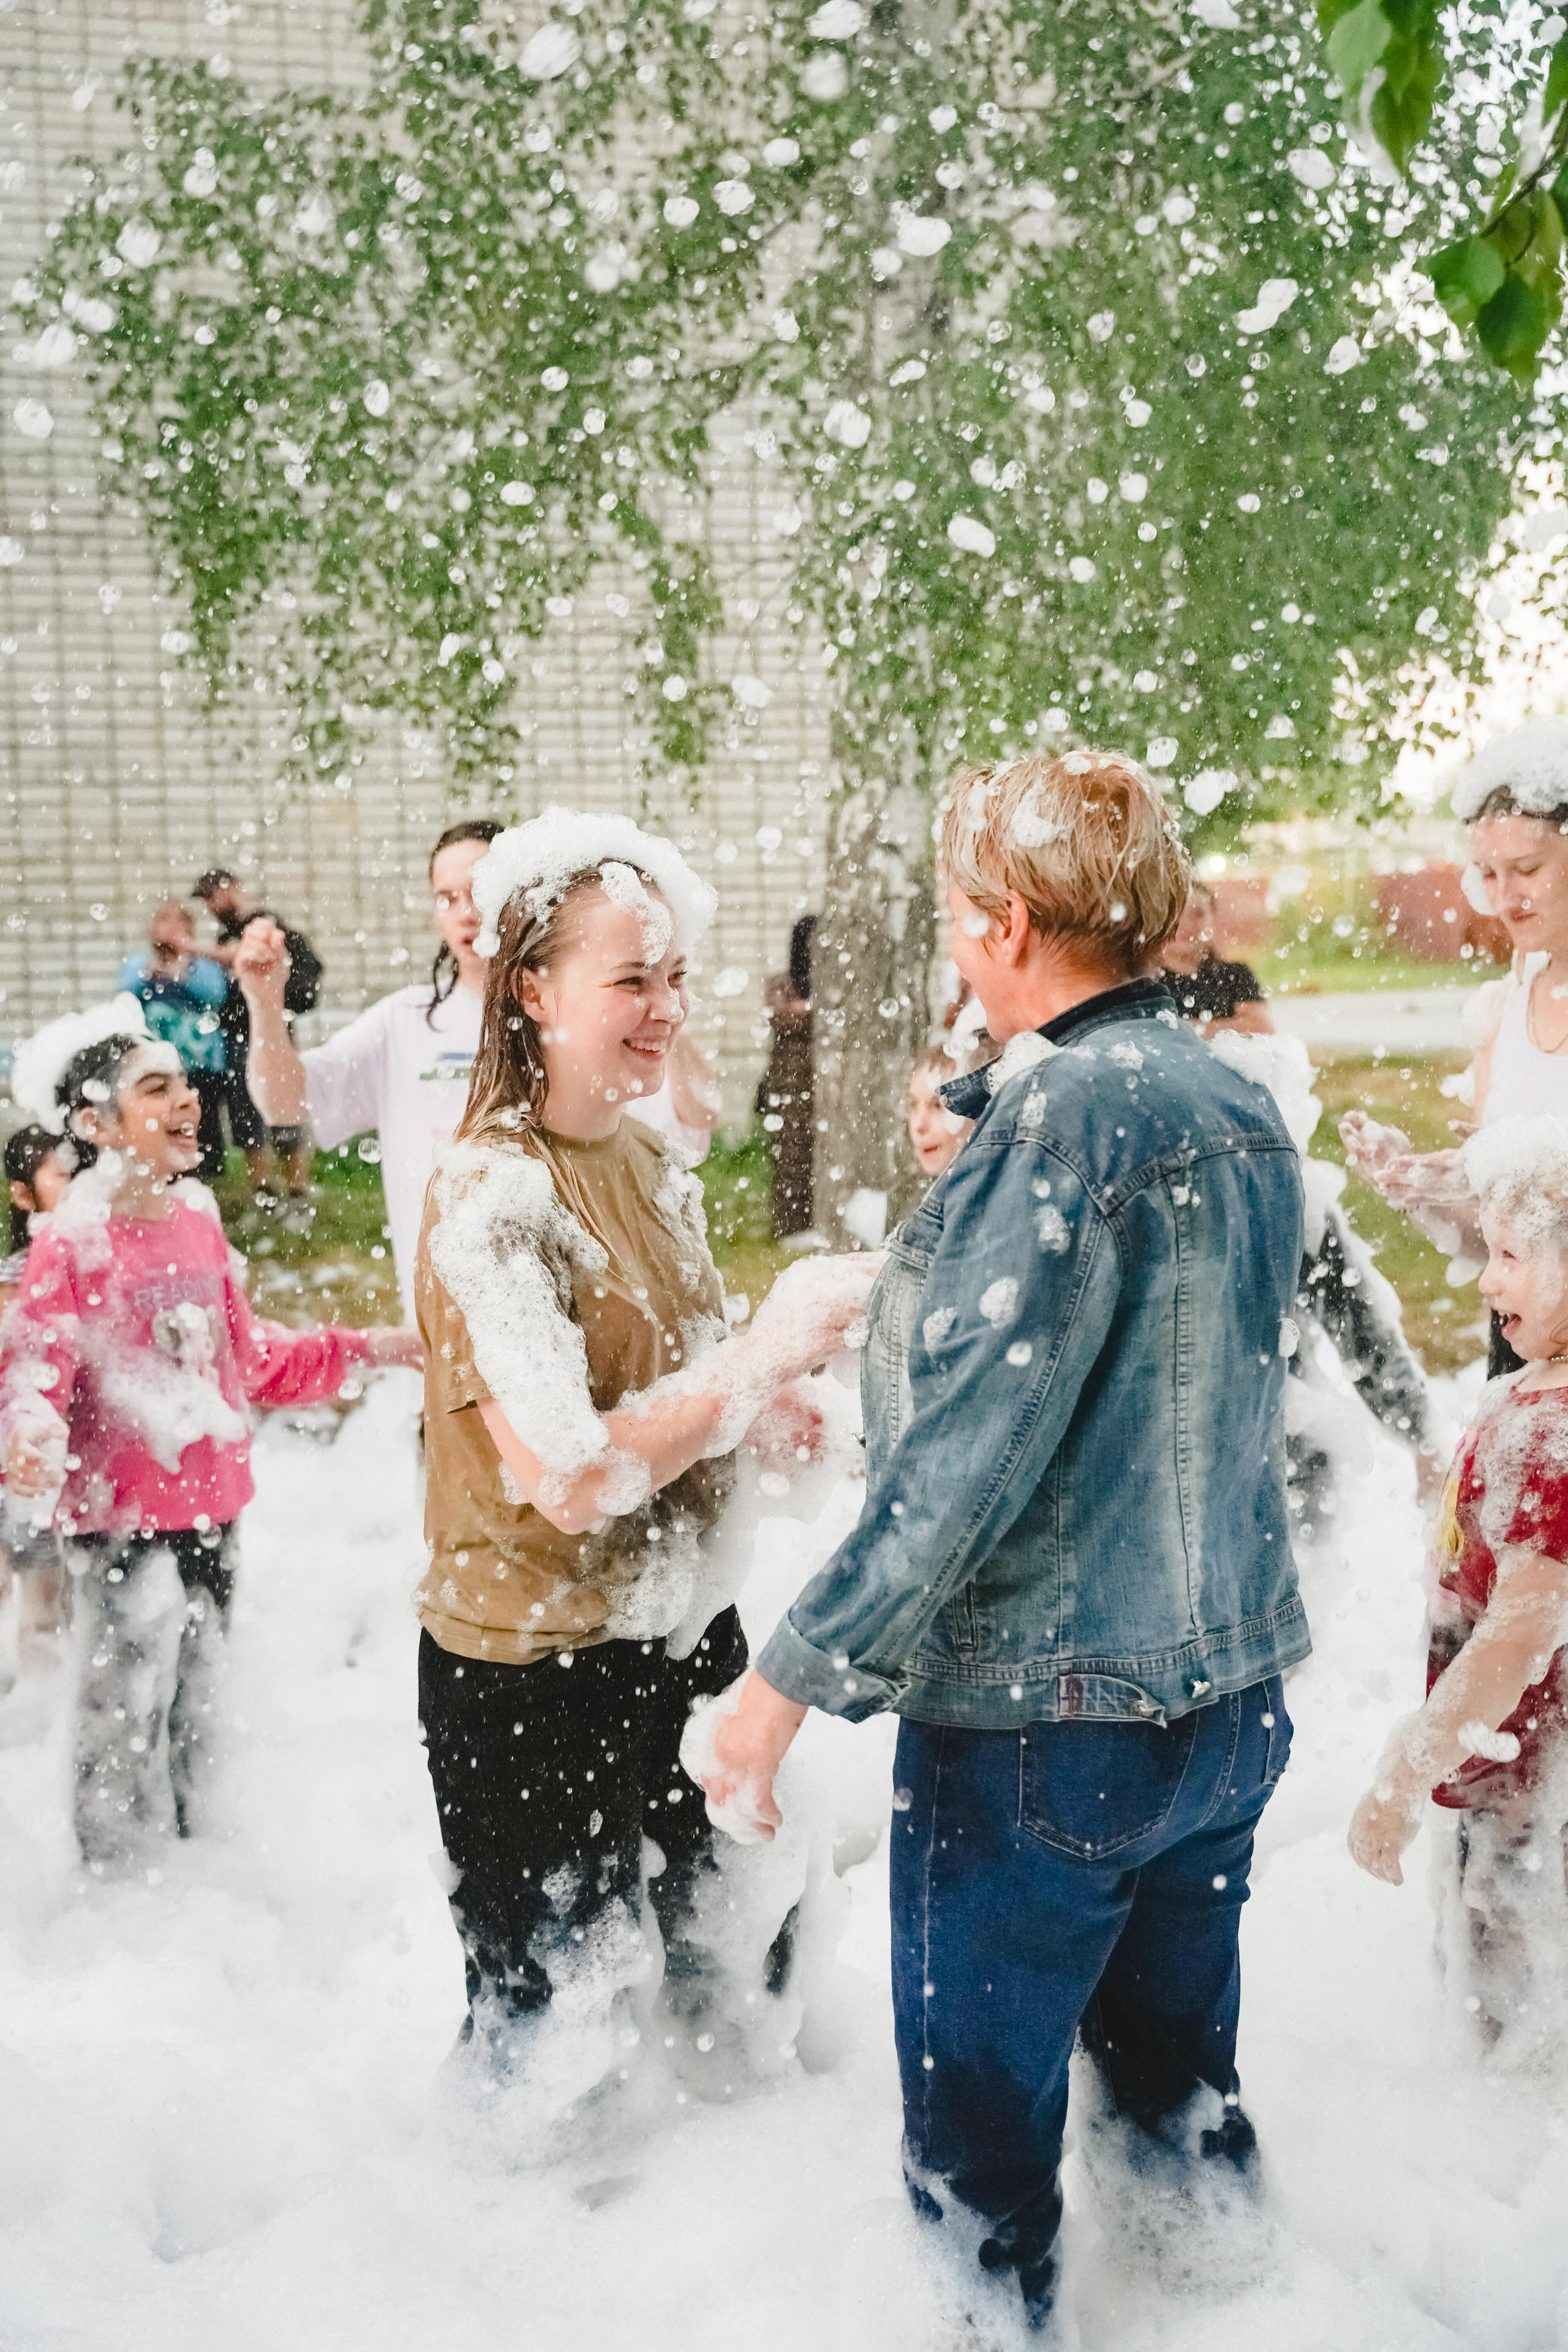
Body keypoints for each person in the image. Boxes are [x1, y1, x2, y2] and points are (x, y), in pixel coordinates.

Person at [695, 750, 1310, 2332]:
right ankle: (1254, 2312)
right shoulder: (1235, 1104)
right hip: (1225, 1702)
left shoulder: (1059, 1133)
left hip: (1049, 1735)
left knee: (980, 2156)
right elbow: (1164, 1382)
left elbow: (961, 1465)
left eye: (968, 916)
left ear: (1018, 925)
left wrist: (780, 1689)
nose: (959, 945)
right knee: (1178, 2102)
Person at [412, 808, 878, 2082]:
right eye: (631, 979)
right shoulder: (490, 1194)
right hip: (531, 1673)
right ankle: (525, 2262)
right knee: (558, 2038)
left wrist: (770, 1413)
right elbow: (567, 1476)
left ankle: (711, 2248)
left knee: (727, 1974)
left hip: (676, 1633)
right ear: (529, 989)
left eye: (674, 975)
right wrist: (760, 1354)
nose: (667, 1007)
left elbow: (675, 1393)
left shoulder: (643, 1157)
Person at [0, 1030, 420, 1868]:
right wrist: (31, 1435)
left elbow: (248, 1359)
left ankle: (208, 1884)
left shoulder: (197, 1216)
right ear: (99, 1122)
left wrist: (367, 1347)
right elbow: (35, 1368)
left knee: (204, 1708)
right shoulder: (72, 1241)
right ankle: (123, 1905)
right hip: (119, 1525)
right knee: (118, 1724)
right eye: (156, 1088)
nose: (187, 1100)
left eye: (186, 1085)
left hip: (213, 1511)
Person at [1349, 1115, 1568, 2051]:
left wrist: (1403, 1777)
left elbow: (1520, 1634)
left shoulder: (1552, 1435)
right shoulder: (1532, 1397)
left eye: (1514, 1255)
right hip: (1511, 1785)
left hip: (1531, 1802)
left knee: (1512, 2036)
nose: (1488, 1279)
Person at [1342, 720, 1568, 1378]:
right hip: (1525, 1357)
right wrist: (1424, 1188)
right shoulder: (1503, 1010)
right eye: (1488, 873)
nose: (1503, 898)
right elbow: (1500, 1239)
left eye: (1526, 869)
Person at [195, 867, 323, 1202]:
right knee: (247, 1120)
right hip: (237, 1040)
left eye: (214, 894)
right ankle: (264, 1194)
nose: (210, 905)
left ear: (234, 888)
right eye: (206, 899)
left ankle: (296, 1194)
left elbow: (250, 958)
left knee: (286, 1118)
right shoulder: (228, 937)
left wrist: (187, 945)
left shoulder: (266, 929)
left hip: (272, 1037)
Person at [0, 1123, 76, 1672]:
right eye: (63, 1175)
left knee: (55, 1596)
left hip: (62, 1462)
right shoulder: (14, 1281)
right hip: (26, 1465)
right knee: (38, 1601)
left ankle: (38, 1703)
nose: (79, 1186)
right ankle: (28, 1712)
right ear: (23, 1194)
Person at [118, 902, 230, 1178]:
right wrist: (155, 967)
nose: (170, 929)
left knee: (204, 1114)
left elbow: (214, 996)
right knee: (163, 1111)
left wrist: (182, 967)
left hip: (200, 1055)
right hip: (156, 1055)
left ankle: (203, 1173)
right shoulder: (138, 963)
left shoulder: (202, 966)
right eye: (164, 922)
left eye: (178, 924)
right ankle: (166, 1167)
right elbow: (126, 993)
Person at [756, 913, 816, 1239]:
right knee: (791, 1153)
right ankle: (791, 1227)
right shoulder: (782, 984)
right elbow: (786, 1015)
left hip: (808, 1080)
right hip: (790, 1081)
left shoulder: (820, 985)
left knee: (808, 1151)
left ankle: (808, 1222)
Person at [1160, 882, 1271, 1036]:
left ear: (1213, 920)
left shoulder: (1235, 975)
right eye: (1176, 914)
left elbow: (1262, 1027)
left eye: (1197, 914)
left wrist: (1185, 1030)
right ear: (1159, 923)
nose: (1186, 924)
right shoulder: (1144, 982)